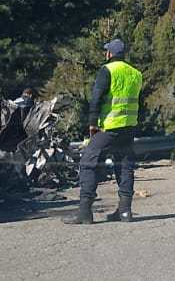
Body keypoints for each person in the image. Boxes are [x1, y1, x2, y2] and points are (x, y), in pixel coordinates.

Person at [62, 39, 142, 225]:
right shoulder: (136, 73)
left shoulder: (107, 70)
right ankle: (125, 212)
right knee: (124, 166)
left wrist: (92, 123)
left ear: (109, 54)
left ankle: (84, 212)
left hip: (109, 126)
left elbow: (96, 97)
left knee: (88, 163)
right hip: (129, 126)